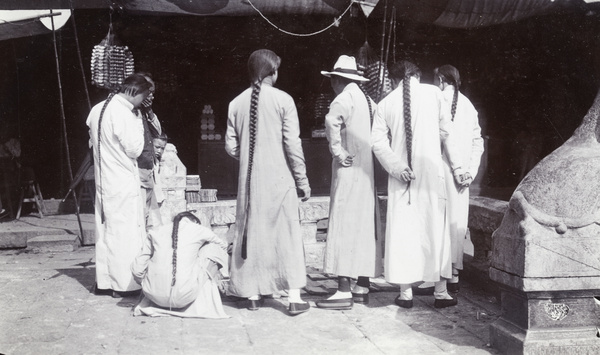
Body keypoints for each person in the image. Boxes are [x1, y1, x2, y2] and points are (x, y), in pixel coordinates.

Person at [371, 60, 466, 309]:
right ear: (417, 75)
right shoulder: (434, 93)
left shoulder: (385, 104)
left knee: (403, 232)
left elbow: (378, 144)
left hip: (402, 177)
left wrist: (397, 167)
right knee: (434, 229)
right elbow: (447, 134)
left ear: (394, 80)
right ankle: (441, 292)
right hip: (432, 173)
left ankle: (405, 294)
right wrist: (458, 168)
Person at [225, 49, 311, 316]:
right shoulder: (283, 99)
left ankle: (252, 294)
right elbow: (292, 144)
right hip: (280, 178)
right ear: (273, 71)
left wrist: (252, 155)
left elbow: (230, 146)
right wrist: (302, 180)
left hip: (248, 181)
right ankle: (294, 298)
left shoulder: (235, 102)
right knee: (286, 235)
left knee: (252, 233)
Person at [315, 55, 383, 310]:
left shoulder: (343, 98)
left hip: (349, 167)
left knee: (344, 221)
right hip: (365, 170)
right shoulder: (368, 101)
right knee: (364, 224)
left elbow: (331, 122)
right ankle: (362, 284)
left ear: (338, 80)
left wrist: (338, 151)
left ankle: (343, 288)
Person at [86, 73, 153, 298]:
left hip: (104, 179)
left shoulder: (97, 109)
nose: (141, 102)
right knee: (124, 233)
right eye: (142, 97)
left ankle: (104, 282)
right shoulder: (124, 113)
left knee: (105, 230)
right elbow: (134, 149)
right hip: (122, 179)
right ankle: (124, 285)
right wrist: (137, 122)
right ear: (135, 92)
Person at [433, 64, 484, 293]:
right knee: (457, 224)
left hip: (445, 170)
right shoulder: (469, 105)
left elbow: (446, 139)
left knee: (442, 224)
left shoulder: (437, 100)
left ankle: (441, 276)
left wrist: (458, 169)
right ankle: (453, 275)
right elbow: (478, 142)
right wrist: (469, 172)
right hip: (462, 176)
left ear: (441, 80)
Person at [131, 211, 230, 318]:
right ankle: (204, 298)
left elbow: (137, 268)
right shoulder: (199, 229)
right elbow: (223, 246)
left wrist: (145, 283)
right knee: (213, 247)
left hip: (153, 296)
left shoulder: (155, 231)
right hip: (186, 296)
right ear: (194, 221)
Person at [136, 74, 163, 230]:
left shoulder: (146, 111)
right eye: (150, 92)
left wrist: (149, 111)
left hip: (148, 169)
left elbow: (158, 131)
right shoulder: (132, 111)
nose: (152, 96)